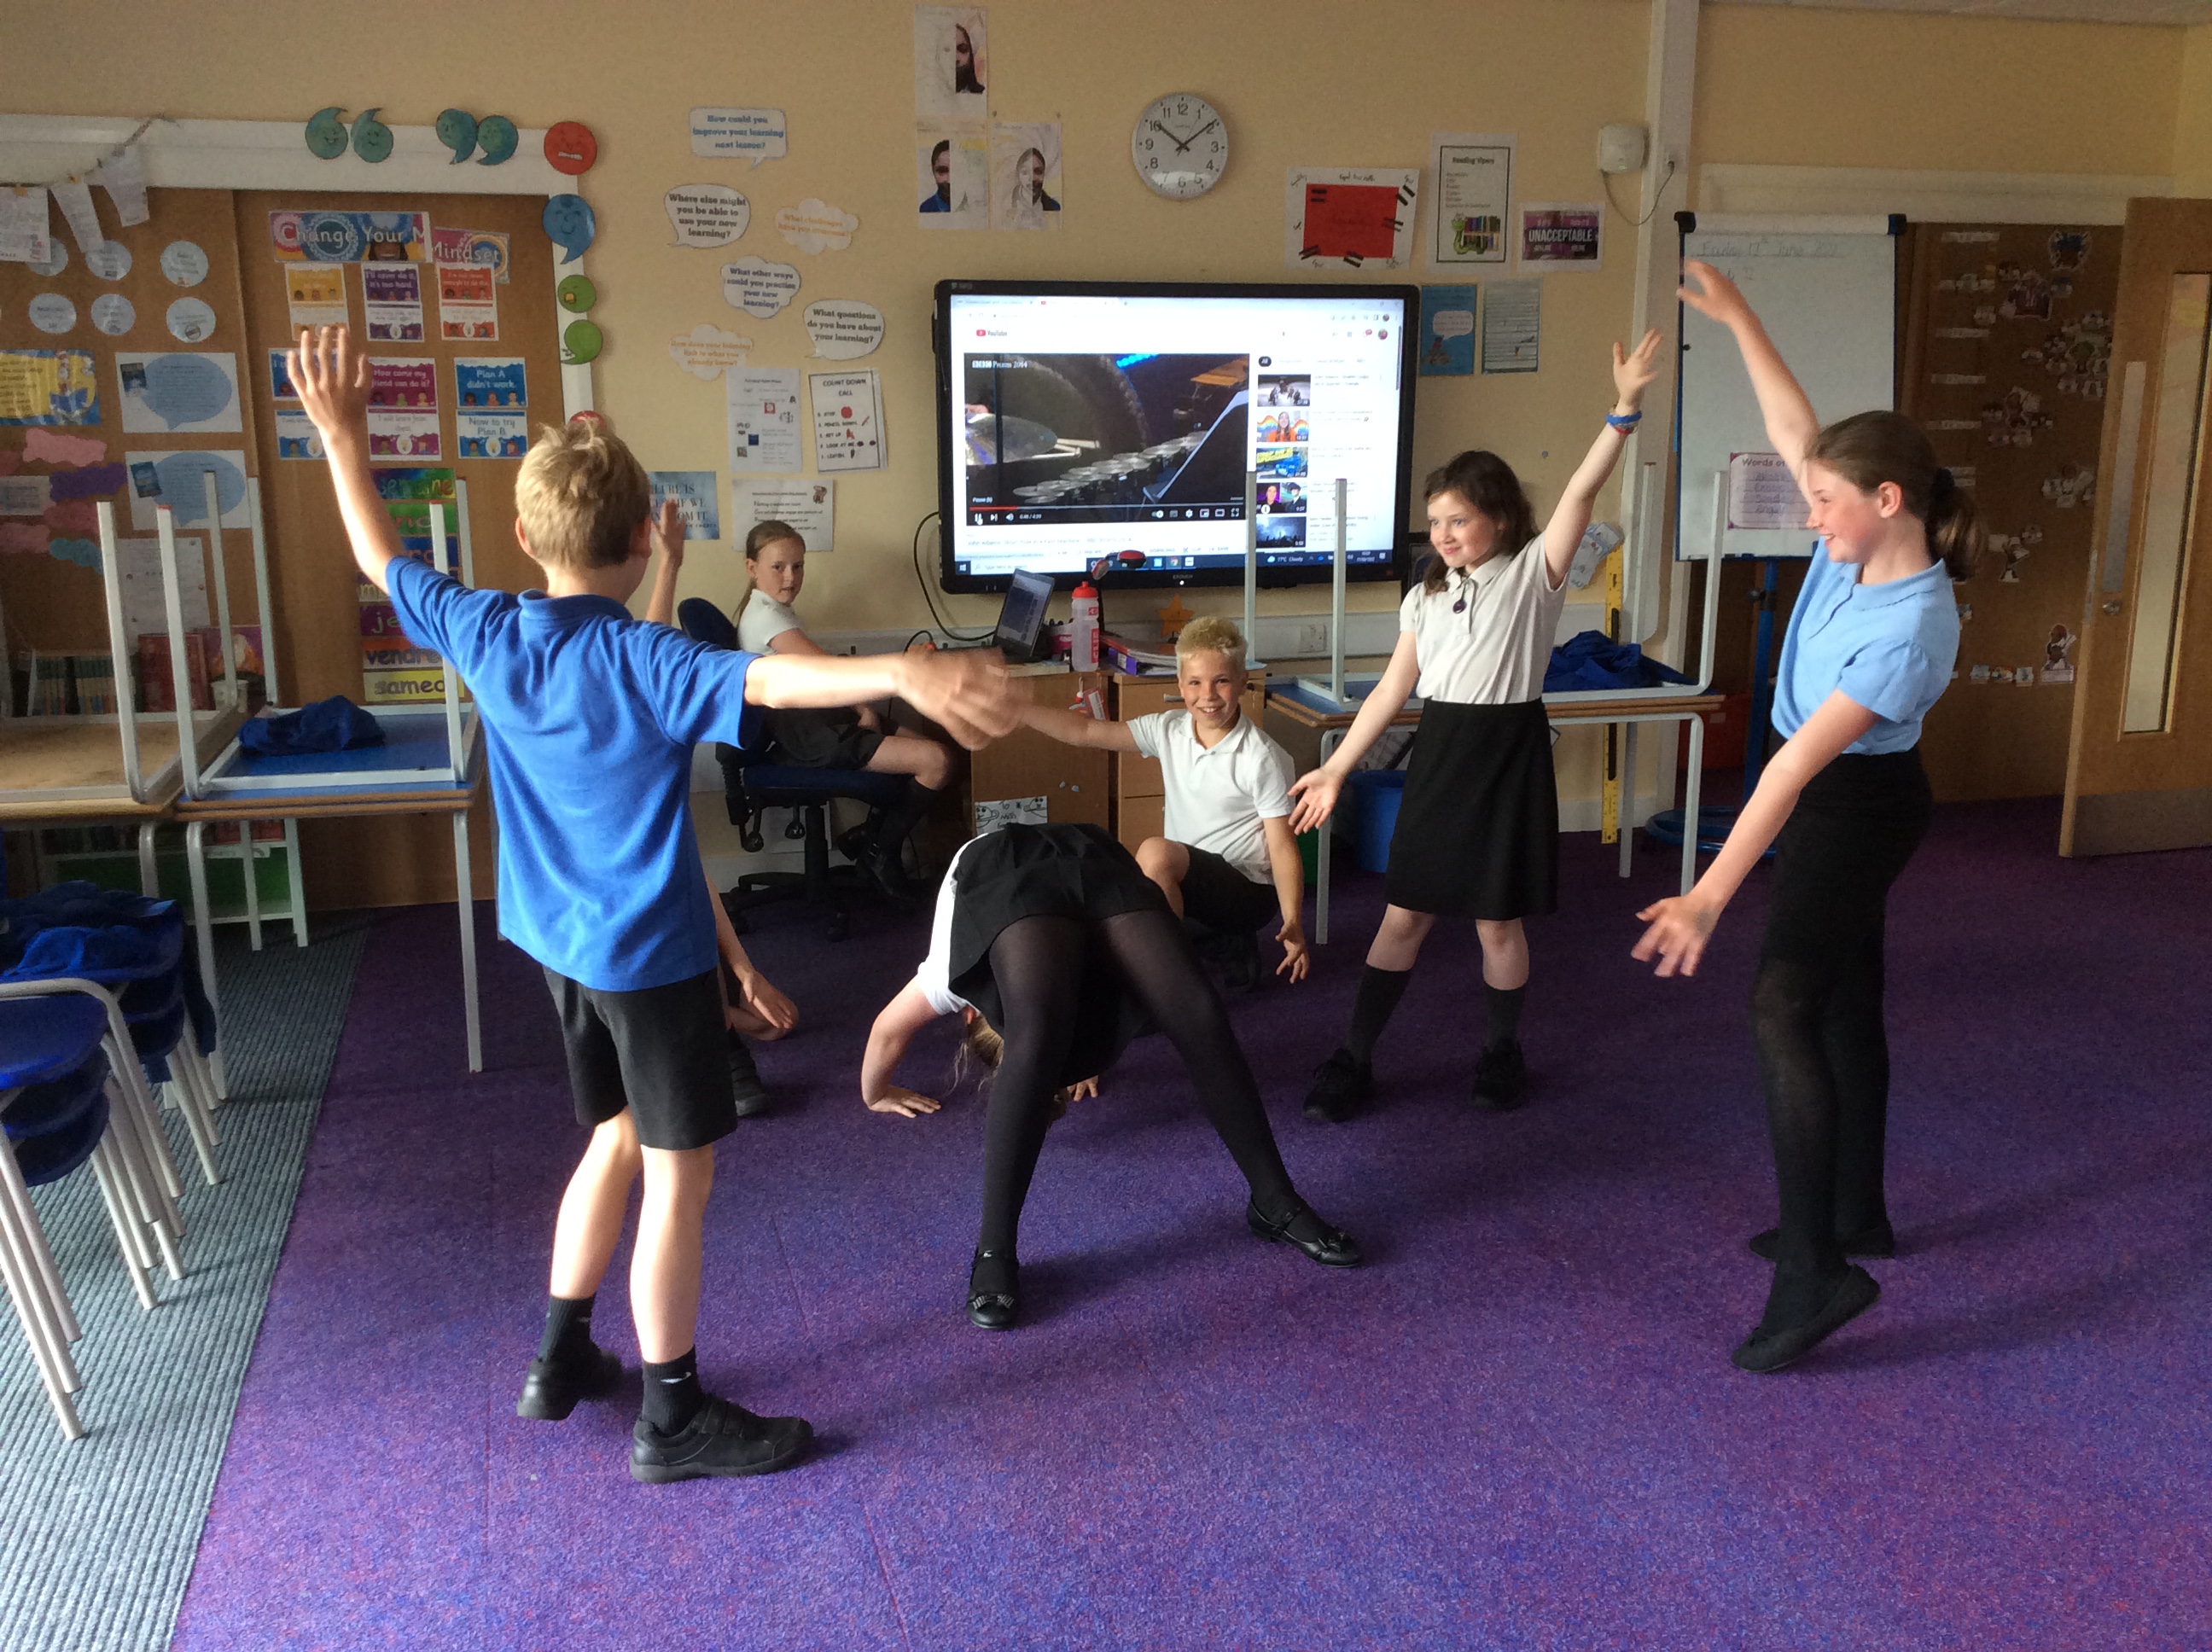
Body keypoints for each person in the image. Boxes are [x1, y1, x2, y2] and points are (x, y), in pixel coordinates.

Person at [287, 325, 1024, 1481]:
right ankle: (671, 1417)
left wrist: (340, 434)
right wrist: (903, 669)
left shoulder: (485, 627)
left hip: (560, 948)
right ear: (643, 541)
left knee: (614, 1137)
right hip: (649, 956)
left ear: (523, 537)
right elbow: (775, 678)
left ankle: (558, 1355)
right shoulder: (647, 658)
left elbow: (378, 554)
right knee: (679, 1174)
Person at [1632, 260, 1976, 1375]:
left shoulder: (1911, 627)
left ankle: (1816, 1272)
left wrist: (1705, 896)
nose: (1809, 512)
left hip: (1855, 808)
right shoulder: (1853, 544)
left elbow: (1787, 776)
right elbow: (1794, 426)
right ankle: (1857, 1215)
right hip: (1834, 793)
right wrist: (1740, 315)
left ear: (1890, 503)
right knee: (1844, 1000)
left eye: (1827, 500)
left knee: (1784, 1005)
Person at [1289, 327, 1664, 1120]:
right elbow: (1393, 691)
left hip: (1507, 753)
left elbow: (1580, 495)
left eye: (1458, 520)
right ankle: (1354, 1057)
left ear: (1498, 517)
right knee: (1404, 914)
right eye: (1436, 522)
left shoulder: (1534, 575)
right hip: (1444, 751)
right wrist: (1337, 767)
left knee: (1498, 923)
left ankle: (1501, 1050)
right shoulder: (1425, 594)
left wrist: (1622, 411)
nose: (1444, 535)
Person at [859, 822, 1361, 1330]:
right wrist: (1084, 1060)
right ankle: (995, 1251)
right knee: (1168, 1011)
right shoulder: (1078, 1002)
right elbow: (1081, 1024)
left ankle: (1275, 1202)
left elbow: (886, 1031)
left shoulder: (947, 978)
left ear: (972, 1012)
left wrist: (874, 1093)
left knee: (1185, 1012)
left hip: (1012, 861)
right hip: (1088, 856)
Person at [649, 519, 958, 901]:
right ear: (751, 568)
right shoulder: (766, 618)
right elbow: (826, 669)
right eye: (778, 567)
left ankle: (869, 838)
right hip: (809, 734)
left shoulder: (774, 610)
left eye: (798, 566)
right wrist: (869, 701)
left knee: (932, 752)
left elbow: (818, 665)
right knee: (937, 762)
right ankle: (879, 850)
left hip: (819, 718)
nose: (790, 577)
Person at [1017, 616, 1309, 988]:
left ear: (1241, 682)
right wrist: (1018, 710)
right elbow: (1086, 731)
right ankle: (1215, 944)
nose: (1208, 695)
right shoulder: (1169, 729)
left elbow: (1282, 847)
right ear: (1180, 685)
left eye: (1221, 681)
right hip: (1190, 878)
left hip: (1248, 890)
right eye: (1195, 682)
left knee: (1155, 854)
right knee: (1112, 883)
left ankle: (1169, 983)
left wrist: (1293, 920)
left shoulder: (1261, 756)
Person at [1005, 146, 1059, 226]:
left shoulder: (1054, 207)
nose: (1032, 179)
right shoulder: (1005, 204)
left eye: (1038, 171)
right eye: (1025, 172)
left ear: (1044, 174)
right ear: (1018, 175)